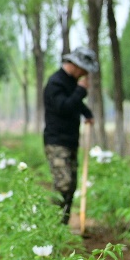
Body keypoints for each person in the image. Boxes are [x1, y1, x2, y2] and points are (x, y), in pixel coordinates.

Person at [42, 46, 97, 225]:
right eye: (83, 70)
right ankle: (52, 223)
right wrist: (80, 90)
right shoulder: (55, 83)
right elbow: (63, 107)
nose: (84, 74)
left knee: (71, 185)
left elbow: (76, 104)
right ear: (74, 64)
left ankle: (62, 225)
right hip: (56, 141)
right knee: (62, 183)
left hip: (71, 141)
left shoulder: (71, 82)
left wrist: (87, 113)